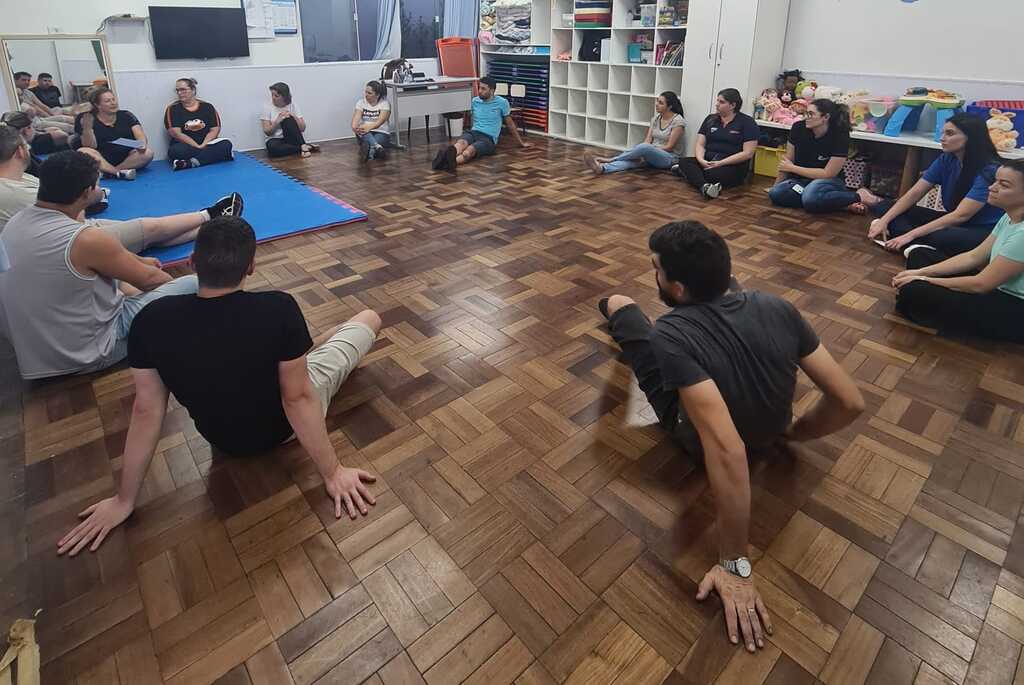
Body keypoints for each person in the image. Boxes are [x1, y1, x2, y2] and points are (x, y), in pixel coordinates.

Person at [597, 220, 864, 652]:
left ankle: (613, 307)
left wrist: (736, 564)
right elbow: (850, 402)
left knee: (624, 309)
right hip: (771, 430)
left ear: (677, 288)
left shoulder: (671, 332)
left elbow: (725, 449)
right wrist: (794, 433)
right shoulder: (779, 307)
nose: (655, 277)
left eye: (657, 271)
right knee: (680, 329)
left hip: (698, 438)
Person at [56, 216, 382, 556]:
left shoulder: (151, 321)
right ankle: (314, 350)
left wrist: (125, 500)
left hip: (223, 439)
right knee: (368, 318)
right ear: (251, 267)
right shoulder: (278, 309)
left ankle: (304, 354)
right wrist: (333, 472)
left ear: (193, 263)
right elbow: (297, 398)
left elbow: (147, 409)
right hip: (283, 429)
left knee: (297, 357)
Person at [0, 151, 243, 379]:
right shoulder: (85, 239)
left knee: (117, 280)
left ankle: (208, 222)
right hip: (86, 356)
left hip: (35, 360)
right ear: (86, 193)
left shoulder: (15, 223)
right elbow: (152, 280)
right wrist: (176, 305)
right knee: (192, 284)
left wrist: (136, 263)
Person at [892, 159, 1024, 343]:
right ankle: (920, 301)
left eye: (1004, 185)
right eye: (995, 181)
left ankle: (920, 302)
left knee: (915, 291)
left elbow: (981, 284)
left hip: (1013, 309)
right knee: (920, 255)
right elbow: (974, 256)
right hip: (993, 289)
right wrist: (920, 272)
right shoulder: (1008, 217)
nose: (992, 187)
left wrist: (923, 279)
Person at [867, 113, 1004, 256]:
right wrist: (884, 221)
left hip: (980, 229)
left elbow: (961, 216)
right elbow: (914, 193)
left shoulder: (989, 170)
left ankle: (909, 239)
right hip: (952, 220)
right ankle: (915, 243)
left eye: (949, 134)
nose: (942, 138)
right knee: (885, 207)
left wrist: (910, 235)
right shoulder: (947, 159)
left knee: (943, 237)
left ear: (971, 137)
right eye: (943, 133)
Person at [768, 99, 867, 214]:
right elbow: (787, 162)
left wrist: (792, 168)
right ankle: (841, 205)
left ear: (825, 117)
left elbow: (828, 173)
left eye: (811, 114)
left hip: (829, 182)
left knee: (810, 196)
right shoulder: (798, 128)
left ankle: (860, 196)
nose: (806, 117)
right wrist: (775, 187)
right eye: (806, 113)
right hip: (801, 183)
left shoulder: (840, 135)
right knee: (777, 194)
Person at [672, 88, 758, 199]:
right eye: (717, 101)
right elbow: (700, 144)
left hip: (731, 165)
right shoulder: (710, 119)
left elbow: (748, 153)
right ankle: (705, 186)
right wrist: (701, 160)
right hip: (708, 161)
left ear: (732, 105)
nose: (716, 104)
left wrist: (721, 163)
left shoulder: (747, 122)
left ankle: (691, 176)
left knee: (711, 173)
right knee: (684, 161)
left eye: (721, 102)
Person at [431, 76, 528, 173]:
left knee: (469, 151)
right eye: (479, 88)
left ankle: (447, 163)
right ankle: (447, 157)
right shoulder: (475, 101)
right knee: (461, 144)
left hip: (489, 138)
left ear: (492, 90)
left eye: (483, 89)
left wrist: (521, 143)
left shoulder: (502, 103)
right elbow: (472, 119)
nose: (479, 91)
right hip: (473, 132)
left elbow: (510, 124)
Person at [584, 92, 685, 175]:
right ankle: (602, 168)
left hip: (669, 158)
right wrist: (643, 152)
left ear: (669, 107)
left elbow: (669, 147)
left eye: (661, 103)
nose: (656, 104)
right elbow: (647, 141)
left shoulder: (678, 121)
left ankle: (611, 159)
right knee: (630, 162)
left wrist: (648, 150)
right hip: (651, 154)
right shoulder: (655, 119)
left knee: (644, 148)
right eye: (657, 101)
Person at [75, 86, 153, 180]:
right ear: (97, 105)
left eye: (113, 99)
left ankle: (111, 172)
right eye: (108, 101)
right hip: (102, 155)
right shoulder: (85, 117)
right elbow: (89, 146)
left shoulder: (126, 115)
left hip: (127, 156)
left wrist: (142, 145)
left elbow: (140, 135)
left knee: (148, 153)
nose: (113, 103)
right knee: (84, 151)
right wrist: (87, 128)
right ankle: (117, 172)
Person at [164, 78, 233, 171]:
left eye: (183, 90)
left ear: (193, 90)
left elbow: (215, 129)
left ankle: (189, 163)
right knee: (175, 151)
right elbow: (176, 133)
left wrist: (203, 144)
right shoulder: (172, 109)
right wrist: (197, 146)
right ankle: (214, 156)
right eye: (177, 90)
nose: (179, 93)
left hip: (207, 143)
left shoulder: (207, 107)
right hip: (186, 145)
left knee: (226, 145)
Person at [261, 82, 319, 159]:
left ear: (284, 97)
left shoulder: (293, 105)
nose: (273, 98)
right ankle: (305, 147)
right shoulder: (266, 107)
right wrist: (277, 121)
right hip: (275, 140)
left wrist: (293, 116)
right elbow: (267, 132)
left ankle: (303, 146)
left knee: (288, 119)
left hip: (290, 139)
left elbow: (302, 128)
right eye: (272, 95)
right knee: (273, 149)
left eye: (276, 96)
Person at [0, 121, 39, 229]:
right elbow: (70, 212)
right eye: (27, 146)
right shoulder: (19, 194)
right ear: (20, 151)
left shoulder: (20, 177)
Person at [351, 80, 391, 161]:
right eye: (366, 92)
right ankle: (378, 148)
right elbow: (355, 121)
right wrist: (355, 127)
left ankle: (369, 153)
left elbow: (380, 121)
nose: (366, 95)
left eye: (369, 93)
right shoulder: (361, 103)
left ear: (377, 95)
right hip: (364, 132)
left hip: (381, 132)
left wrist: (368, 127)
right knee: (367, 136)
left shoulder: (385, 103)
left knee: (369, 143)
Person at [3, 109, 70, 156]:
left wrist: (40, 131)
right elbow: (63, 135)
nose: (33, 128)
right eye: (31, 126)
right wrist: (40, 132)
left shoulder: (8, 146)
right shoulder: (37, 142)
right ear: (26, 130)